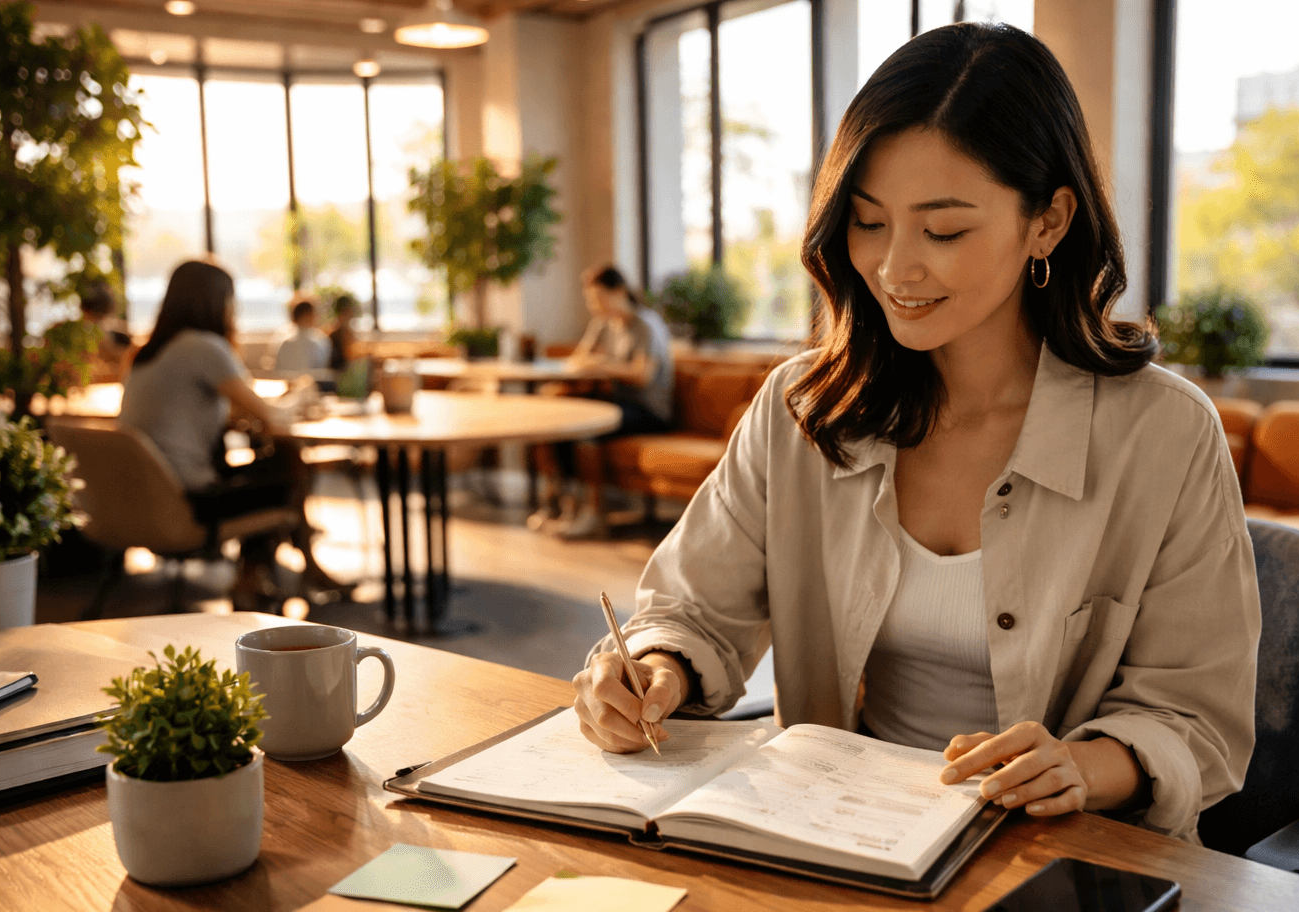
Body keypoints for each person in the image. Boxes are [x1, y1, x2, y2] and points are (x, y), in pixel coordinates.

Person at [570, 24, 1260, 842]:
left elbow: (1197, 719)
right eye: (868, 222)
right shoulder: (804, 409)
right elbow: (692, 610)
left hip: (1060, 862)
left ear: (1048, 221)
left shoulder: (1165, 434)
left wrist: (1082, 765)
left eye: (943, 231)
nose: (897, 268)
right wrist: (652, 670)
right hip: (835, 842)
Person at [119, 260, 330, 609]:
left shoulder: (147, 352)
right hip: (189, 502)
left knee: (281, 462)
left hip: (142, 497)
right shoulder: (204, 347)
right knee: (287, 467)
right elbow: (273, 419)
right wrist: (303, 392)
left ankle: (280, 570)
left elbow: (191, 412)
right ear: (217, 302)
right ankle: (263, 573)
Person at [528, 265, 674, 539]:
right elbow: (577, 362)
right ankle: (561, 504)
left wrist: (605, 364)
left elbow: (642, 375)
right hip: (615, 402)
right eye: (590, 300)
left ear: (619, 292)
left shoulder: (645, 324)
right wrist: (596, 365)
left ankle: (593, 514)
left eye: (599, 298)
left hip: (649, 411)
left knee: (588, 429)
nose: (595, 306)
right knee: (554, 421)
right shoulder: (602, 324)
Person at [273, 298, 331, 372]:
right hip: (310, 382)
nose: (317, 317)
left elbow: (277, 369)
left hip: (288, 382)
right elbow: (323, 368)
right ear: (308, 316)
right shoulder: (317, 344)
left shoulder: (283, 342)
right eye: (314, 314)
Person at [328, 294, 361, 373]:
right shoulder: (343, 333)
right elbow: (352, 356)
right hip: (342, 378)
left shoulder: (333, 332)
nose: (352, 314)